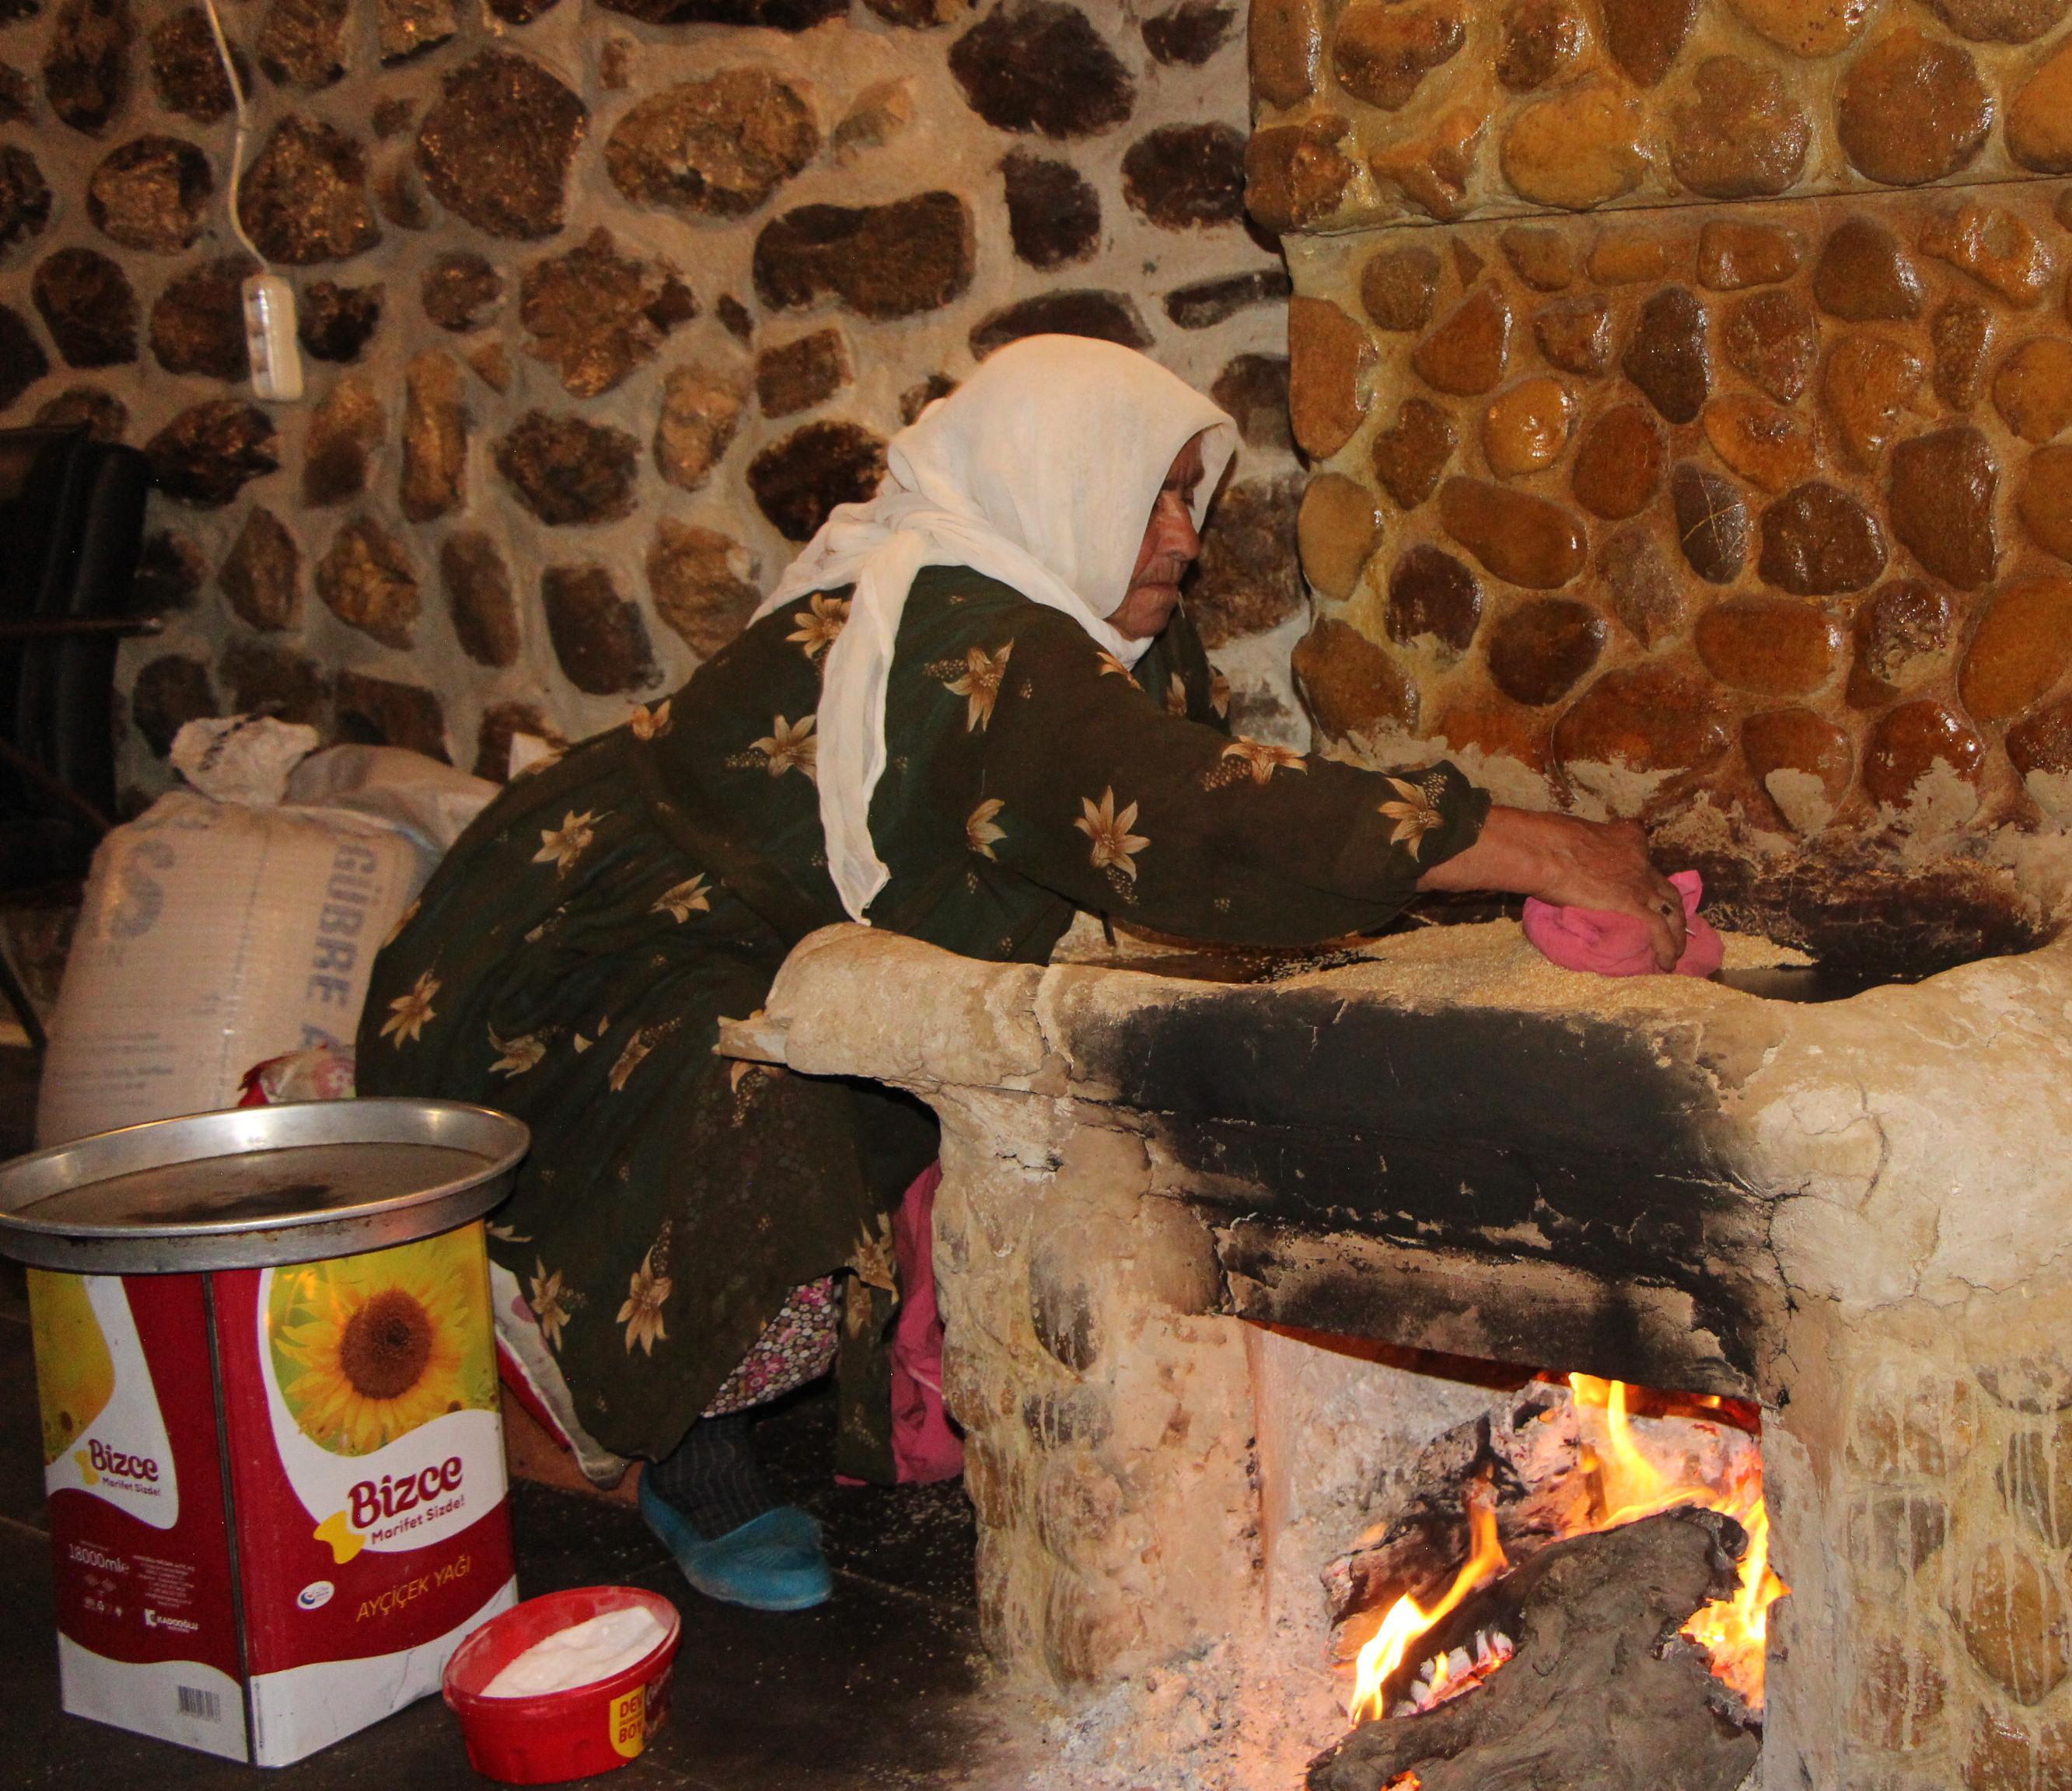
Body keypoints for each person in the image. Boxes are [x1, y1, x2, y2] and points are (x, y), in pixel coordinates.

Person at [356, 337, 1681, 1611]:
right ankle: (682, 1440)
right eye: (1152, 493)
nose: (1183, 534)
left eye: (1186, 495)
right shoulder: (961, 623)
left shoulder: (1094, 616)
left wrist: (1375, 904)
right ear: (1055, 475)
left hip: (738, 929)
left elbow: (1178, 822)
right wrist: (1540, 851)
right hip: (589, 953)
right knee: (787, 1106)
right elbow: (1188, 810)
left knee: (906, 1052)